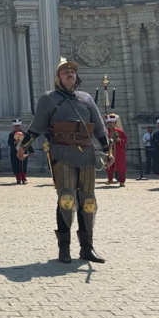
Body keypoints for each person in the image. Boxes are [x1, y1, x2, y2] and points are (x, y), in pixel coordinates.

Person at [17, 57, 112, 264]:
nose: (70, 73)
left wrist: (107, 150)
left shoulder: (86, 98)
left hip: (86, 155)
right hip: (62, 155)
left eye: (72, 71)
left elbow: (99, 126)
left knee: (88, 202)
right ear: (58, 78)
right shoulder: (49, 98)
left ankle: (87, 248)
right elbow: (37, 126)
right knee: (67, 200)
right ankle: (64, 248)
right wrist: (23, 145)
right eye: (65, 71)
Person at [105, 114, 127, 187]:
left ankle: (122, 181)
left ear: (114, 123)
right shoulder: (105, 132)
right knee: (108, 166)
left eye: (111, 123)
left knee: (120, 167)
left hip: (118, 152)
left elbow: (125, 140)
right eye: (109, 123)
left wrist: (119, 140)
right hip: (109, 151)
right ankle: (110, 179)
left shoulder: (119, 131)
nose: (110, 124)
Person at [8, 119, 32, 184]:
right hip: (14, 152)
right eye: (16, 126)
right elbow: (9, 143)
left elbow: (28, 142)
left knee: (23, 165)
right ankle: (18, 178)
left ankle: (23, 178)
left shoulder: (24, 134)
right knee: (15, 165)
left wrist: (31, 151)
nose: (17, 127)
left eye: (18, 126)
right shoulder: (11, 134)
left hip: (23, 151)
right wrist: (15, 142)